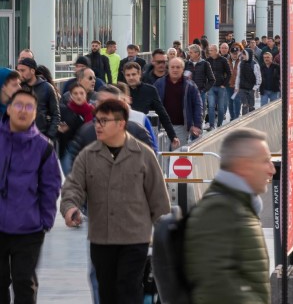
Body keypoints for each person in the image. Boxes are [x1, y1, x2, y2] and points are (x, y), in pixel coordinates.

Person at [60, 98, 170, 304]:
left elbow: (159, 198)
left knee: (128, 289)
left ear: (121, 124)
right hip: (102, 238)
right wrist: (70, 208)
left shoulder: (143, 154)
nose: (97, 126)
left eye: (103, 121)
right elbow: (73, 187)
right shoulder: (88, 155)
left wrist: (164, 236)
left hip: (135, 238)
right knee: (107, 290)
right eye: (96, 121)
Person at [184, 128, 276, 303]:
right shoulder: (218, 210)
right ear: (243, 166)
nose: (272, 169)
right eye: (265, 161)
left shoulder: (239, 207)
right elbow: (215, 286)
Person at [0, 89, 61, 303]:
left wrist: (45, 221)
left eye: (29, 107)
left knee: (24, 283)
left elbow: (50, 188)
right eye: (18, 105)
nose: (23, 111)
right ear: (8, 109)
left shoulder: (43, 147)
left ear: (35, 113)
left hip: (29, 229)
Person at [124, 61, 179, 150]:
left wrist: (172, 135)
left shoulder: (150, 90)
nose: (131, 77)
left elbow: (162, 113)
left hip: (145, 135)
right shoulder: (121, 91)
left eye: (133, 74)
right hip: (125, 136)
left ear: (139, 74)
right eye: (128, 75)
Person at [153, 57, 203, 145]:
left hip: (181, 127)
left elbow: (197, 105)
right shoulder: (159, 84)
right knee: (162, 156)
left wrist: (197, 125)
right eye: (172, 67)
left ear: (183, 69)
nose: (175, 70)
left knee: (178, 156)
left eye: (178, 67)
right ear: (168, 68)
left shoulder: (190, 85)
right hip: (162, 127)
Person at [16, 58, 59, 140]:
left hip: (40, 136)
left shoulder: (47, 88)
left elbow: (56, 115)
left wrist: (49, 136)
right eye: (18, 71)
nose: (20, 74)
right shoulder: (18, 87)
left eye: (23, 70)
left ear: (32, 71)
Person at [57, 83, 94, 172]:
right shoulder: (64, 110)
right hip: (69, 148)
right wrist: (60, 130)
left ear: (86, 95)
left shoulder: (93, 111)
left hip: (88, 148)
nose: (79, 96)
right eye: (75, 93)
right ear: (71, 95)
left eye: (81, 93)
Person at [185, 44, 216, 127]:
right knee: (188, 112)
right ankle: (190, 130)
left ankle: (198, 129)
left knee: (199, 113)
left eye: (191, 52)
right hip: (188, 93)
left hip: (200, 93)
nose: (189, 54)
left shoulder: (205, 64)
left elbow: (212, 80)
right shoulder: (186, 64)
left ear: (197, 53)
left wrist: (204, 90)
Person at [206, 44, 231, 129]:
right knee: (211, 106)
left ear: (216, 51)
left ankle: (219, 124)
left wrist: (224, 84)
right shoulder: (207, 60)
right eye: (209, 50)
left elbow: (229, 73)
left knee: (221, 108)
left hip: (221, 87)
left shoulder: (223, 60)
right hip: (211, 87)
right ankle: (211, 125)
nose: (210, 52)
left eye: (211, 50)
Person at [234, 48, 261, 115]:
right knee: (245, 105)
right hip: (242, 88)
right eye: (243, 54)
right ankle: (244, 120)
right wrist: (237, 86)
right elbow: (238, 76)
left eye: (244, 54)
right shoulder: (240, 63)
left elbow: (258, 77)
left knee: (251, 106)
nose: (243, 55)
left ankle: (252, 120)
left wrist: (255, 88)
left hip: (251, 88)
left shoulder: (254, 64)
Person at [226, 46, 242, 120]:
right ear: (230, 53)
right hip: (228, 85)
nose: (235, 55)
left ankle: (236, 117)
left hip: (238, 86)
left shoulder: (242, 61)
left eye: (236, 53)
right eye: (233, 53)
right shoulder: (226, 61)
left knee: (237, 101)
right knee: (230, 102)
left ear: (239, 53)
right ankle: (232, 117)